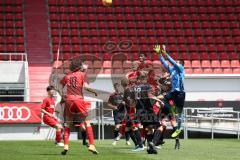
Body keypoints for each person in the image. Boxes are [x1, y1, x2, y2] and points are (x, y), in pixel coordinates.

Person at [60, 59, 98, 155]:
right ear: (79, 67)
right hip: (79, 100)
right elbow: (86, 87)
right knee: (87, 123)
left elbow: (60, 86)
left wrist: (62, 96)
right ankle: (92, 145)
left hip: (68, 100)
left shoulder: (67, 76)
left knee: (68, 124)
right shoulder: (82, 74)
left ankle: (66, 146)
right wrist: (94, 91)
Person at [153, 44, 185, 138]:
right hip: (173, 93)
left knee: (178, 112)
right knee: (164, 101)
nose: (176, 63)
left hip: (180, 93)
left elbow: (172, 62)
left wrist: (165, 52)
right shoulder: (173, 70)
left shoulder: (181, 69)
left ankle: (179, 128)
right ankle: (167, 114)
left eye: (178, 62)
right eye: (177, 62)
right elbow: (164, 63)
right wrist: (159, 54)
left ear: (181, 65)